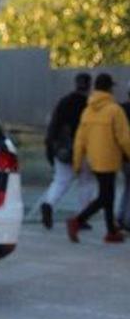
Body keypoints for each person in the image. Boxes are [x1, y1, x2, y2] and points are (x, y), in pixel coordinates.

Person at [67, 73, 130, 243]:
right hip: (109, 159)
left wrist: (77, 162)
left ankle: (111, 231)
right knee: (105, 197)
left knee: (107, 195)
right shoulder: (115, 110)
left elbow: (80, 140)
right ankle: (78, 220)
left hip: (94, 160)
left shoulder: (88, 111)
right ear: (110, 88)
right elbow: (124, 138)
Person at [40, 73, 97, 229]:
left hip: (63, 150)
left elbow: (54, 126)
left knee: (60, 181)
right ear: (89, 85)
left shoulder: (64, 102)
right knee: (86, 182)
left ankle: (48, 203)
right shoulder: (90, 105)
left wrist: (51, 146)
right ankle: (81, 217)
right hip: (84, 150)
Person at [119, 79, 130, 231]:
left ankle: (121, 216)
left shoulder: (119, 109)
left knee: (127, 186)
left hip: (121, 156)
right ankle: (126, 219)